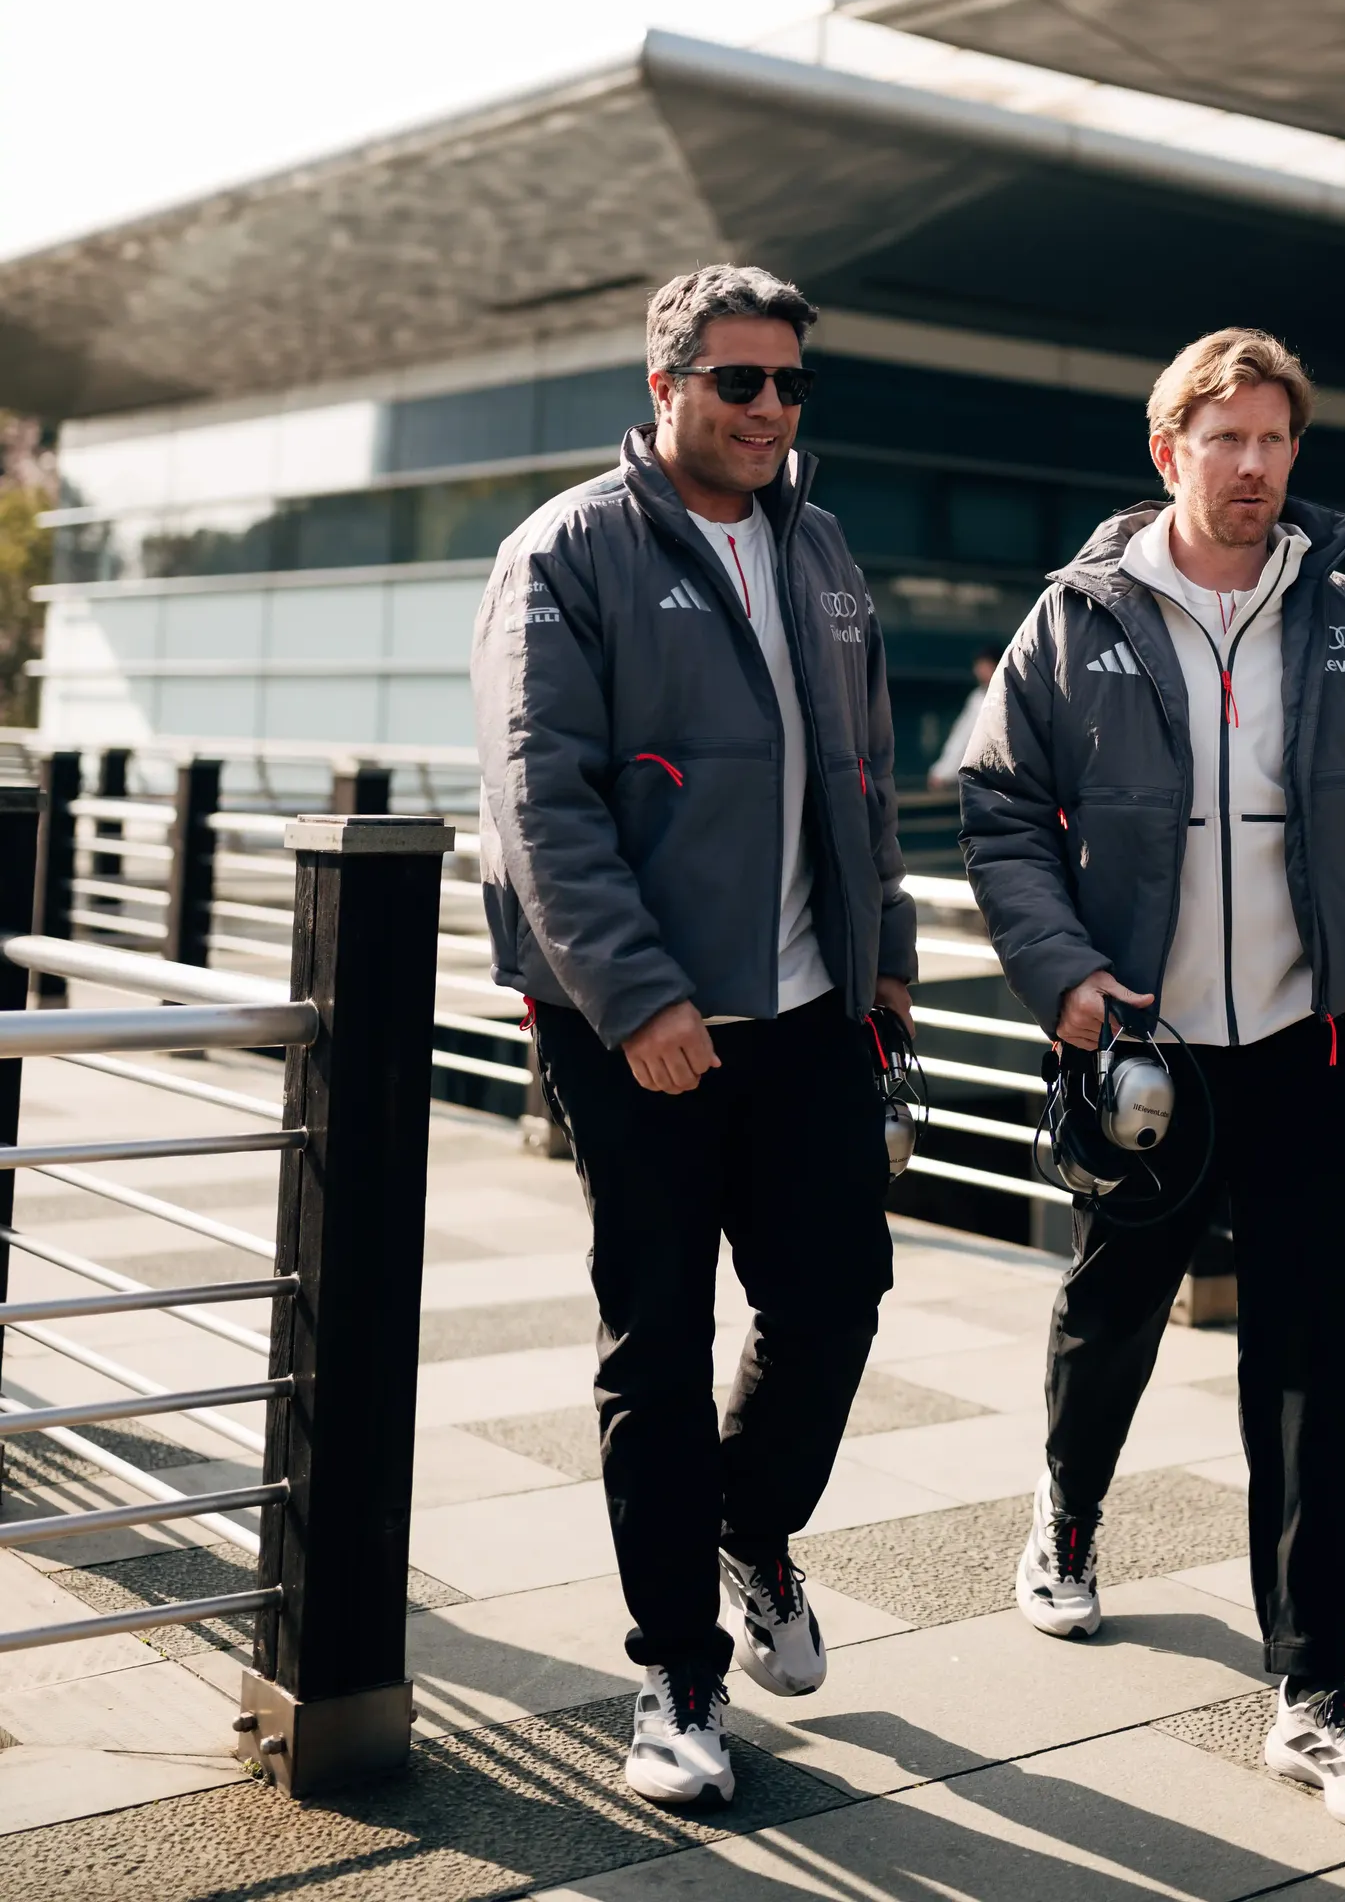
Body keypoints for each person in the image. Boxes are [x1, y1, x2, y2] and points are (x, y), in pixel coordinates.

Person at [958, 325, 1345, 1832]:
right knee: (1116, 1304)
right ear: (1168, 450)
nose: (1254, 466)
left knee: (1312, 1363)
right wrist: (1063, 975)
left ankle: (1313, 1692)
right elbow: (1000, 804)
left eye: (1275, 440)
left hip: (1314, 1045)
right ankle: (1069, 1508)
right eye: (1226, 439)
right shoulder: (1080, 617)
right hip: (1148, 1050)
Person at [471, 263, 915, 1811]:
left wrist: (887, 954)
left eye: (790, 383)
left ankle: (747, 1527)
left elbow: (868, 769)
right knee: (656, 1344)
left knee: (836, 1300)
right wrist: (640, 999)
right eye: (739, 382)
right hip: (640, 1025)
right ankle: (676, 1672)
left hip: (806, 1010)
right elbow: (541, 801)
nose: (770, 407)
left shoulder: (821, 547)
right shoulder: (568, 552)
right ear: (665, 388)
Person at [927, 646, 1001, 787]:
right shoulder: (978, 698)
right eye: (978, 666)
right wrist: (943, 772)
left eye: (984, 666)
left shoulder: (1012, 697)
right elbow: (962, 737)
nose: (979, 671)